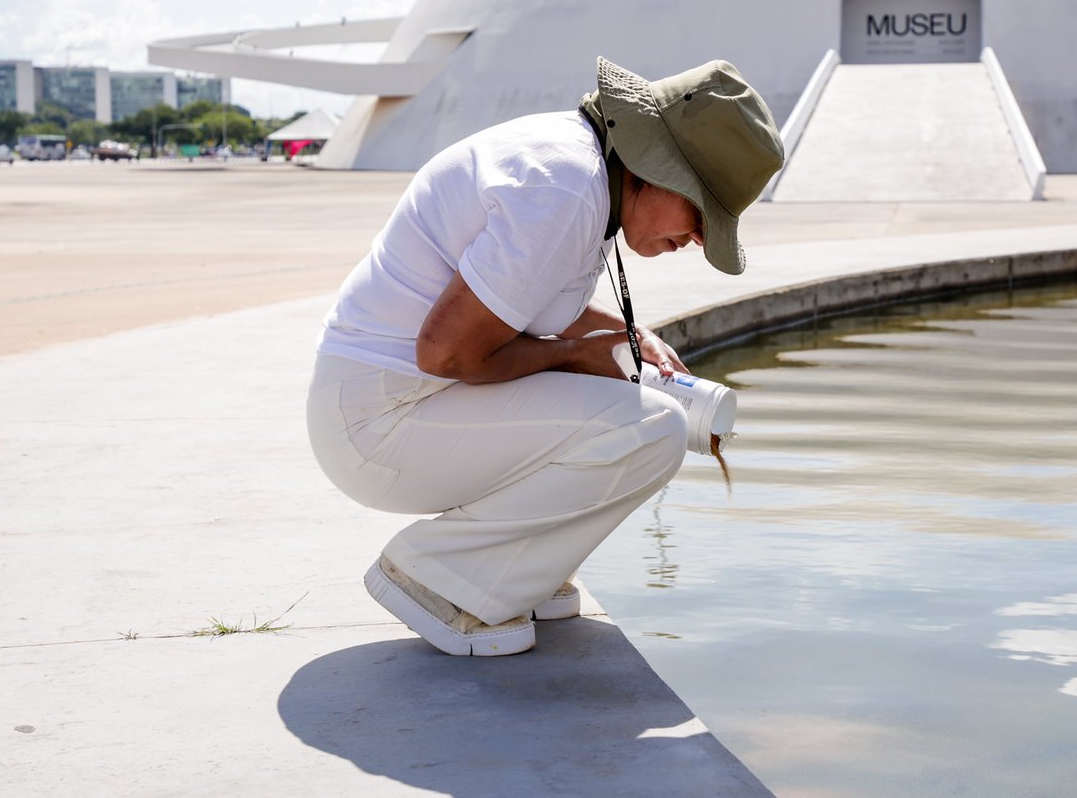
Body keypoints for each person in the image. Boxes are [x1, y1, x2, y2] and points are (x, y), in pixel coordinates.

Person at [305, 56, 784, 657]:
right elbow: (447, 353)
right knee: (652, 427)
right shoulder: (564, 189)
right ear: (660, 170)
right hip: (378, 424)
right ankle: (442, 579)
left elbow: (520, 297)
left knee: (627, 412)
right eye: (702, 214)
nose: (696, 239)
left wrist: (625, 335)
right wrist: (577, 357)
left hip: (385, 403)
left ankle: (516, 572)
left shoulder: (579, 169)